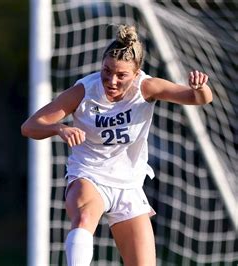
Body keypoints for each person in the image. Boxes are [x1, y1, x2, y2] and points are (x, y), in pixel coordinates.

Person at [21, 25, 213, 265]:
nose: (111, 80)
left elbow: (199, 98)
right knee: (83, 219)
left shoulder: (146, 88)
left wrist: (200, 87)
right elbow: (30, 126)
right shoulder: (84, 91)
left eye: (121, 75)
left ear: (136, 74)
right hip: (89, 174)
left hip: (129, 184)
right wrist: (59, 128)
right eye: (106, 71)